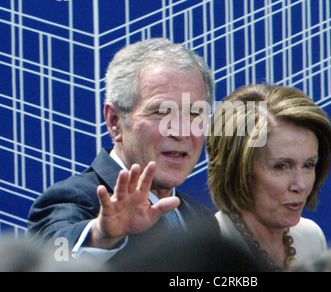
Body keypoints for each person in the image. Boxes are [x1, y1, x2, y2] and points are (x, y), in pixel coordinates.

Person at [27, 38, 220, 267]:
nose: (180, 132)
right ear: (115, 121)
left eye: (194, 113)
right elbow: (47, 260)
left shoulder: (202, 219)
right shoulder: (73, 199)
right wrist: (101, 236)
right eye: (160, 112)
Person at [206, 84, 331, 271]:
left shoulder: (311, 238)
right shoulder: (206, 252)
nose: (300, 184)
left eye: (308, 165)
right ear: (238, 171)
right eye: (281, 166)